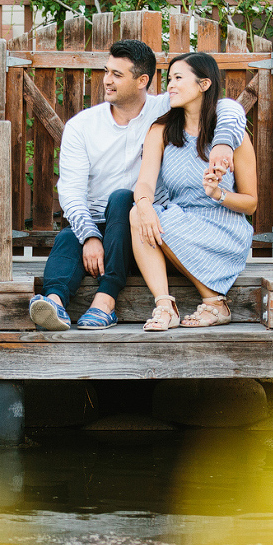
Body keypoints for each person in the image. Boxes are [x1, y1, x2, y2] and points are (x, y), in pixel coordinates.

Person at [28, 40, 247, 331]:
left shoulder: (165, 108)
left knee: (122, 199)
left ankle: (105, 302)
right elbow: (70, 193)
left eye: (117, 75)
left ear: (142, 80)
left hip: (140, 228)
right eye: (107, 72)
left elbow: (227, 106)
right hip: (98, 222)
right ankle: (54, 302)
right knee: (69, 238)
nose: (107, 80)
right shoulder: (82, 126)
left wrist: (222, 144)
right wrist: (90, 237)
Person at [130, 52, 258, 331]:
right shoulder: (161, 130)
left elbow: (250, 204)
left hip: (224, 228)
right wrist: (143, 204)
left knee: (158, 218)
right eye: (168, 79)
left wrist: (218, 194)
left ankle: (214, 302)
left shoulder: (232, 134)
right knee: (137, 212)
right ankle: (165, 306)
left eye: (178, 78)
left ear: (204, 84)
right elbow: (145, 182)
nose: (170, 86)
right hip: (180, 223)